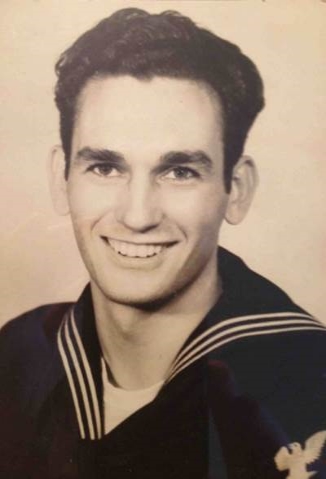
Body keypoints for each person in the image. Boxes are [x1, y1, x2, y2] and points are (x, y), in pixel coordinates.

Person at [0, 7, 325, 479]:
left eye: (179, 172)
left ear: (237, 189)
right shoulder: (18, 358)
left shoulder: (308, 386)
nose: (137, 215)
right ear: (61, 177)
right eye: (105, 167)